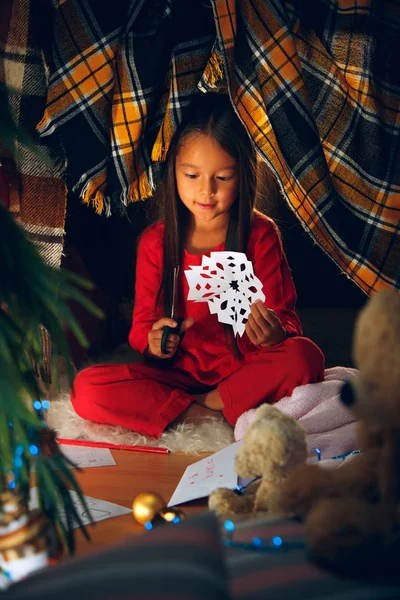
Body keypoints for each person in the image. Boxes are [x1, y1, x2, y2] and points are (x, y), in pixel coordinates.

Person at [71, 93, 325, 439]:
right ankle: (210, 415)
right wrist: (155, 340)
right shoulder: (155, 242)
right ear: (173, 171)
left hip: (243, 370)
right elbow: (140, 328)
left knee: (305, 356)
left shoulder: (261, 233)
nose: (206, 192)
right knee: (87, 387)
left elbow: (288, 322)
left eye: (222, 178)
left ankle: (201, 406)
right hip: (175, 375)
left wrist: (274, 333)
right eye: (191, 175)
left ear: (244, 175)